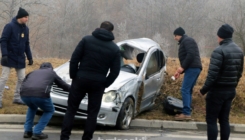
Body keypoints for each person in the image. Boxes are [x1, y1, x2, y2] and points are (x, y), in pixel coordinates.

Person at [60, 21, 121, 140]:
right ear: (111, 31)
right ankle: (87, 138)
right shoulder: (114, 48)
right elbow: (115, 71)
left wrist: (74, 75)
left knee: (71, 110)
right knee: (92, 113)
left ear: (99, 27)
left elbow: (74, 59)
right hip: (98, 83)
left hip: (81, 78)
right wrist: (105, 83)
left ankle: (64, 137)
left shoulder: (86, 40)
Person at [199, 24, 244, 140]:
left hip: (217, 91)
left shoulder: (218, 51)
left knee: (211, 119)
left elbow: (212, 75)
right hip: (230, 91)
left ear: (220, 36)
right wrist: (233, 85)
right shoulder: (239, 51)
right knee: (224, 120)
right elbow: (239, 73)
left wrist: (203, 90)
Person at [20, 62, 70, 140]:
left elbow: (24, 82)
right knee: (50, 110)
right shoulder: (51, 73)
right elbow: (62, 85)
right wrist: (74, 89)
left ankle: (27, 131)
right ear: (51, 68)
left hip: (24, 94)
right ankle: (37, 132)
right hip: (40, 95)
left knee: (32, 107)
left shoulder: (33, 72)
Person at [0, 7, 33, 108]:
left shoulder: (26, 29)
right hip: (9, 56)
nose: (27, 19)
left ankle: (17, 98)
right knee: (4, 78)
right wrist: (4, 54)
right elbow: (3, 40)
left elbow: (27, 44)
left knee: (22, 78)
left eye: (27, 17)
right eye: (25, 17)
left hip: (20, 58)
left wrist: (29, 57)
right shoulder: (9, 26)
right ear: (20, 17)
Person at [173, 27, 202, 121]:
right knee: (188, 90)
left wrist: (182, 67)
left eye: (175, 35)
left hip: (192, 68)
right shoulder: (186, 41)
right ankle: (187, 112)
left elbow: (191, 54)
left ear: (180, 34)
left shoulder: (187, 40)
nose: (175, 38)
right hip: (193, 68)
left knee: (185, 89)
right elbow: (189, 57)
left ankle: (186, 113)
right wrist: (180, 71)